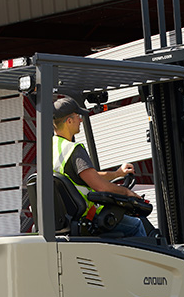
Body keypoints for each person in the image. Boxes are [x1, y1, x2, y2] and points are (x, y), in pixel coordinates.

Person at [52, 95, 147, 237]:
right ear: (69, 121)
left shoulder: (49, 149)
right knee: (136, 225)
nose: (80, 119)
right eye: (78, 116)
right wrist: (127, 193)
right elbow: (100, 187)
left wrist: (117, 174)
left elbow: (85, 177)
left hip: (65, 219)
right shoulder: (74, 150)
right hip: (88, 218)